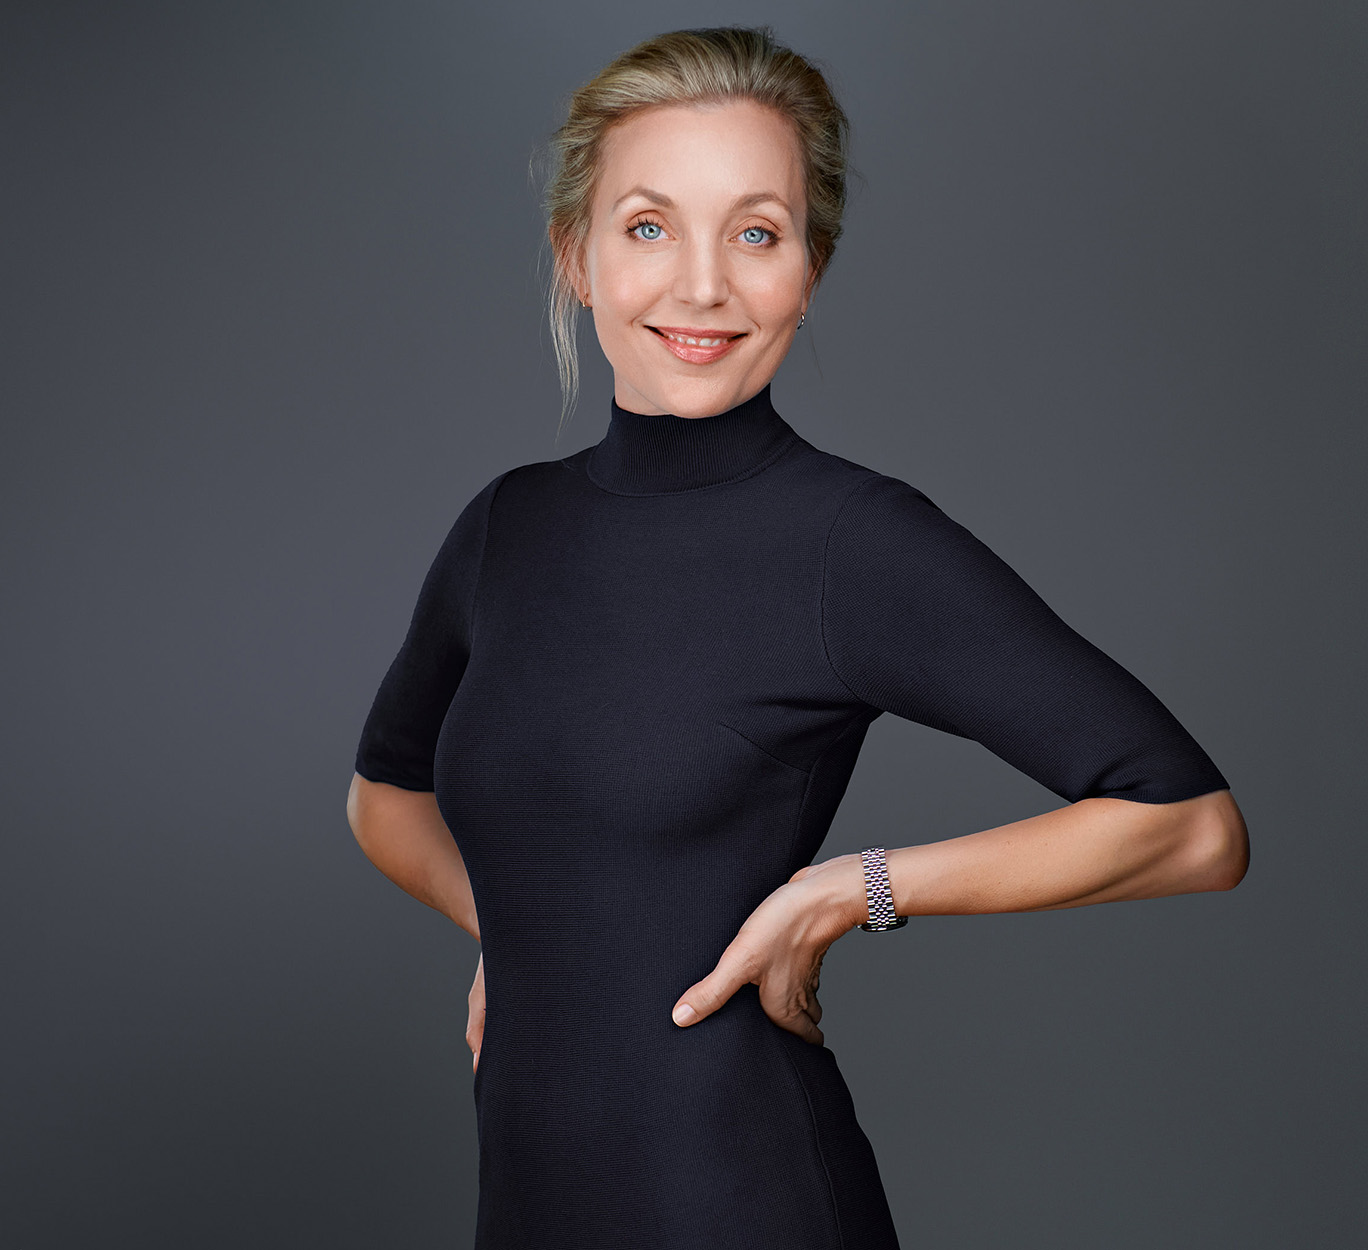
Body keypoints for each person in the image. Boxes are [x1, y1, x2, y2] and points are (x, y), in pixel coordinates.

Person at [342, 25, 1247, 1249]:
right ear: (576, 255)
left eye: (755, 232)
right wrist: (525, 931)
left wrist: (843, 891)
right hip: (530, 1206)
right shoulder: (508, 527)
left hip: (745, 1204)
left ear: (807, 270)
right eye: (648, 225)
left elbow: (1188, 826)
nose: (701, 284)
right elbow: (384, 799)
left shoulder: (850, 542)